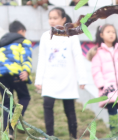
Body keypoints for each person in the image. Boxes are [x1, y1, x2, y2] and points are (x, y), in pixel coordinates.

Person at [35, 8, 85, 139]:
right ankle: (49, 135)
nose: (52, 21)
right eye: (50, 18)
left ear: (63, 19)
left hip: (67, 78)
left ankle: (73, 136)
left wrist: (82, 78)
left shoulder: (71, 35)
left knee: (69, 109)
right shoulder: (45, 36)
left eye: (55, 18)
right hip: (50, 78)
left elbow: (78, 57)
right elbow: (42, 58)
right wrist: (38, 80)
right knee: (47, 105)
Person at [88, 24, 118, 135]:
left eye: (113, 32)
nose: (111, 34)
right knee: (113, 116)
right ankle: (115, 136)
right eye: (108, 32)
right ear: (101, 35)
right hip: (109, 91)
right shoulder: (98, 53)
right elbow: (96, 71)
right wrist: (102, 85)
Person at [0, 22, 32, 135]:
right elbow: (26, 57)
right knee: (24, 96)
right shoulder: (23, 41)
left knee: (7, 103)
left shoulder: (1, 44)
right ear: (21, 31)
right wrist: (26, 71)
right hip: (15, 73)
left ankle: (8, 133)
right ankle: (17, 119)